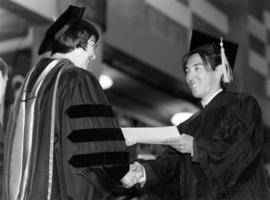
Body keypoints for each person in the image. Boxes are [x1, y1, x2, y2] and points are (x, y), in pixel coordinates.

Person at [121, 30, 270, 200]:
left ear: (219, 70)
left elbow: (243, 150)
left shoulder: (242, 104)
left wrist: (196, 147)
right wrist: (143, 172)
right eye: (187, 71)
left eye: (197, 68)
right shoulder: (190, 125)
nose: (189, 77)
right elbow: (170, 165)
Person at [3, 5, 129, 200]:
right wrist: (122, 171)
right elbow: (93, 149)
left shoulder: (30, 81)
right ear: (78, 44)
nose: (93, 55)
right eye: (92, 46)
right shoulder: (77, 78)